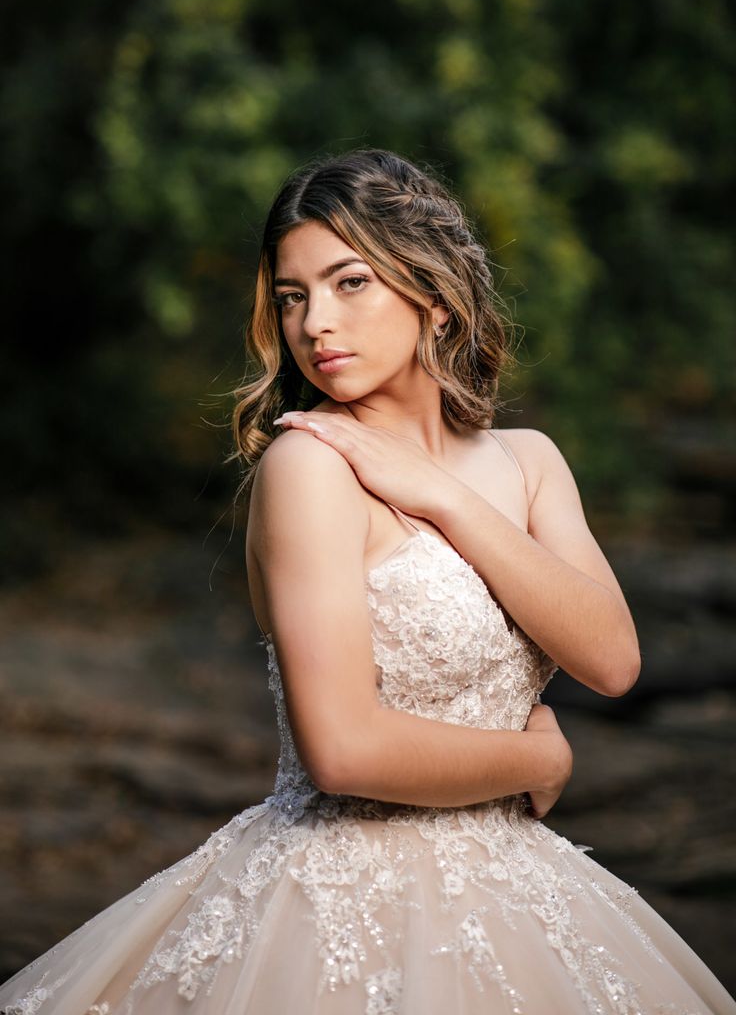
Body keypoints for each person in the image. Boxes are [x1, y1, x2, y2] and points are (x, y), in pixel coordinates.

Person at [0, 148, 732, 1015]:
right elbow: (343, 751)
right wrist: (540, 755)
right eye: (292, 296)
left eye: (349, 283)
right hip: (342, 903)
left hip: (525, 895)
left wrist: (446, 500)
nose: (316, 323)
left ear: (428, 289)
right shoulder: (308, 469)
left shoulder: (529, 464)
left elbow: (612, 660)